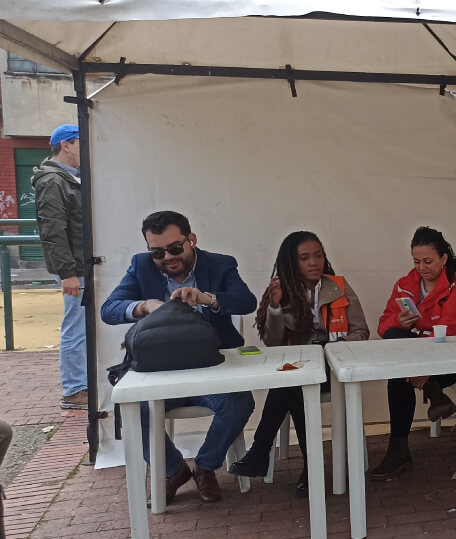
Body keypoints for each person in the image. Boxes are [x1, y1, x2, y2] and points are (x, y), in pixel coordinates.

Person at [100, 210, 257, 503]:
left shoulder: (220, 264)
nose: (167, 257)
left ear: (191, 240)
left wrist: (206, 298)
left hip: (212, 366)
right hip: (159, 369)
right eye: (158, 252)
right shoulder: (141, 266)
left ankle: (205, 467)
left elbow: (247, 302)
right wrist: (145, 306)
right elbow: (108, 310)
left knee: (238, 403)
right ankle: (174, 470)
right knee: (135, 410)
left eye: (175, 248)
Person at [228, 231, 369, 496]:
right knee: (295, 385)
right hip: (300, 368)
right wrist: (275, 308)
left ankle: (261, 452)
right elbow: (274, 344)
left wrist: (331, 348)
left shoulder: (338, 286)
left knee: (292, 384)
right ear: (292, 262)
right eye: (305, 258)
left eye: (318, 255)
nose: (314, 262)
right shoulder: (282, 289)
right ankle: (308, 467)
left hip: (334, 364)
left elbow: (361, 331)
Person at [367, 227, 456, 481]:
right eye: (416, 261)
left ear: (443, 258)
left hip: (455, 357)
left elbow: (449, 334)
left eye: (428, 261)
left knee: (399, 370)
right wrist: (401, 321)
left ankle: (398, 449)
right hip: (418, 356)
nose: (421, 267)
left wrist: (423, 367)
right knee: (396, 340)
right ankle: (432, 393)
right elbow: (384, 326)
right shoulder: (405, 284)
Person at [32, 124, 88, 410]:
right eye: (82, 141)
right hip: (74, 268)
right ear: (67, 145)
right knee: (76, 328)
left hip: (79, 265)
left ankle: (81, 384)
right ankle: (75, 389)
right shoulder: (54, 180)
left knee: (81, 327)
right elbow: (53, 230)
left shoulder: (70, 178)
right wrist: (67, 273)